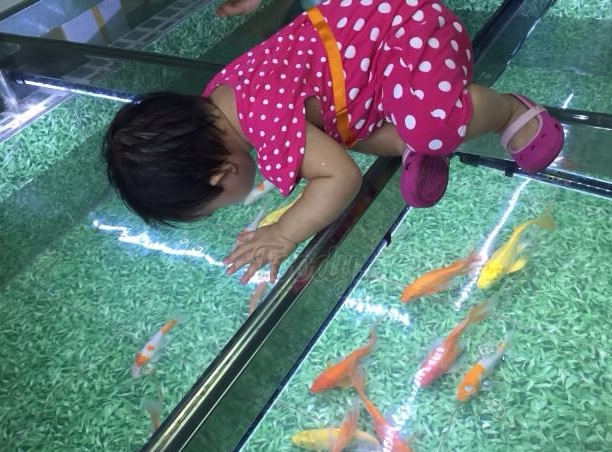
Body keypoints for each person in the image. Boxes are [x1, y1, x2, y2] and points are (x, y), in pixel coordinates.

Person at [103, 0, 564, 284]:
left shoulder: (262, 122)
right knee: (339, 131)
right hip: (373, 60)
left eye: (215, 206)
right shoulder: (224, 95)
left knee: (431, 127)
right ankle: (411, 146)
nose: (229, 206)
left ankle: (507, 111)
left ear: (222, 175)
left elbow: (340, 178)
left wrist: (284, 233)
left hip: (411, 31)